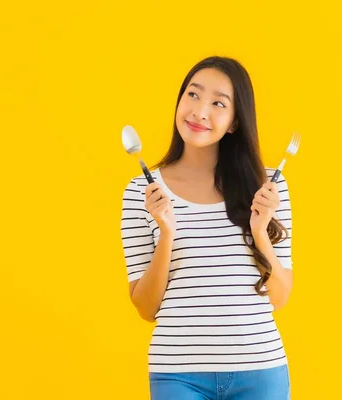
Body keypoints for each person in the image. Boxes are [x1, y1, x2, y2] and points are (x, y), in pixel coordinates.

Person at [120, 56, 294, 400]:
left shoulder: (267, 187)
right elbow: (146, 308)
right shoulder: (141, 191)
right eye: (193, 95)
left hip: (260, 368)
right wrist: (167, 233)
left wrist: (260, 232)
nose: (200, 112)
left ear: (233, 122)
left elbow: (280, 297)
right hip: (177, 372)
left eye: (218, 103)